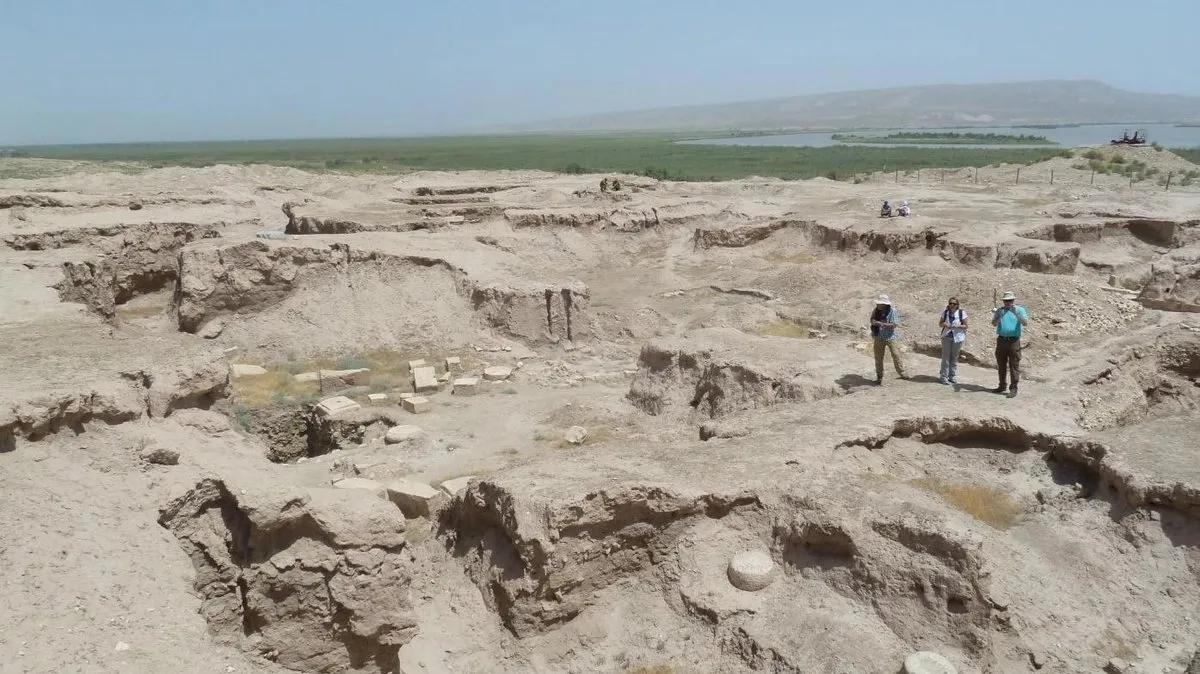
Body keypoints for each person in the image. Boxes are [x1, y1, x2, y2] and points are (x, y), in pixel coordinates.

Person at [991, 290, 1029, 396]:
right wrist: (998, 316)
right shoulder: (1000, 311)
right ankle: (1002, 385)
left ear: (1013, 300)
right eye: (1006, 301)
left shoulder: (1020, 310)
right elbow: (994, 324)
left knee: (1014, 365)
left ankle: (1013, 388)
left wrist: (1016, 313)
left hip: (1014, 341)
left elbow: (1025, 323)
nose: (1008, 303)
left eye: (1010, 301)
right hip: (1002, 340)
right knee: (1001, 364)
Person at [869, 294, 908, 384]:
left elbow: (894, 324)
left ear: (884, 305)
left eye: (880, 304)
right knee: (878, 358)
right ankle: (879, 377)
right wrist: (874, 323)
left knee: (896, 355)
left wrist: (882, 324)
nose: (878, 305)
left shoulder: (892, 311)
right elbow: (872, 320)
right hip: (878, 336)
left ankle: (902, 372)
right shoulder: (876, 311)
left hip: (890, 337)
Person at [938, 297, 968, 385]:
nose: (952, 305)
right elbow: (940, 324)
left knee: (954, 357)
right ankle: (944, 377)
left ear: (957, 305)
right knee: (945, 358)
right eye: (950, 303)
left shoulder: (962, 313)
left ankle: (952, 376)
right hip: (946, 336)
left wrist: (958, 326)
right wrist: (944, 324)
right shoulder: (945, 312)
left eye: (954, 304)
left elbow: (966, 326)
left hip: (957, 337)